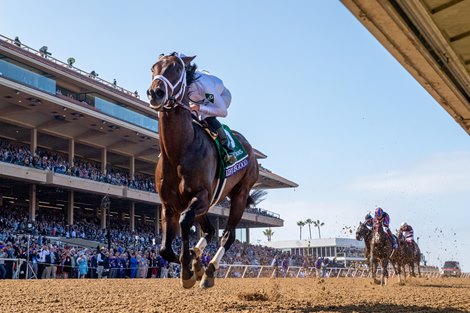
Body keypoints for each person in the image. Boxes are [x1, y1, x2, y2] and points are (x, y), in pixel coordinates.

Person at [178, 53, 236, 164]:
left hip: (220, 97)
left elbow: (223, 112)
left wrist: (199, 107)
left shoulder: (203, 85)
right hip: (199, 100)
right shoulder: (182, 84)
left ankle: (227, 150)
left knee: (207, 117)